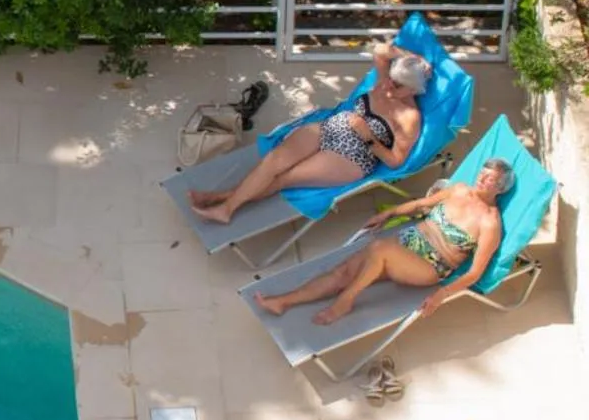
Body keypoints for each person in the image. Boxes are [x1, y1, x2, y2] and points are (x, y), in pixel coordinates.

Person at [189, 40, 432, 225]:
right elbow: (380, 50)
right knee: (273, 162)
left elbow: (395, 161)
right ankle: (225, 198)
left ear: (413, 88)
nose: (389, 86)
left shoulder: (410, 117)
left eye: (398, 85)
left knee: (286, 177)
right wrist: (412, 57)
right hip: (331, 127)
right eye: (391, 78)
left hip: (353, 156)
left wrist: (368, 135)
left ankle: (225, 207)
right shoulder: (383, 82)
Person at [253, 158, 511, 325]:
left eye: (489, 179)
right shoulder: (459, 190)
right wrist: (390, 213)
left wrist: (441, 295)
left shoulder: (490, 223)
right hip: (409, 242)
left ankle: (346, 301)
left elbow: (476, 272)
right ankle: (283, 301)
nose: (481, 179)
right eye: (482, 172)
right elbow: (421, 204)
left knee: (379, 248)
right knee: (343, 271)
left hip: (431, 265)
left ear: (499, 188)